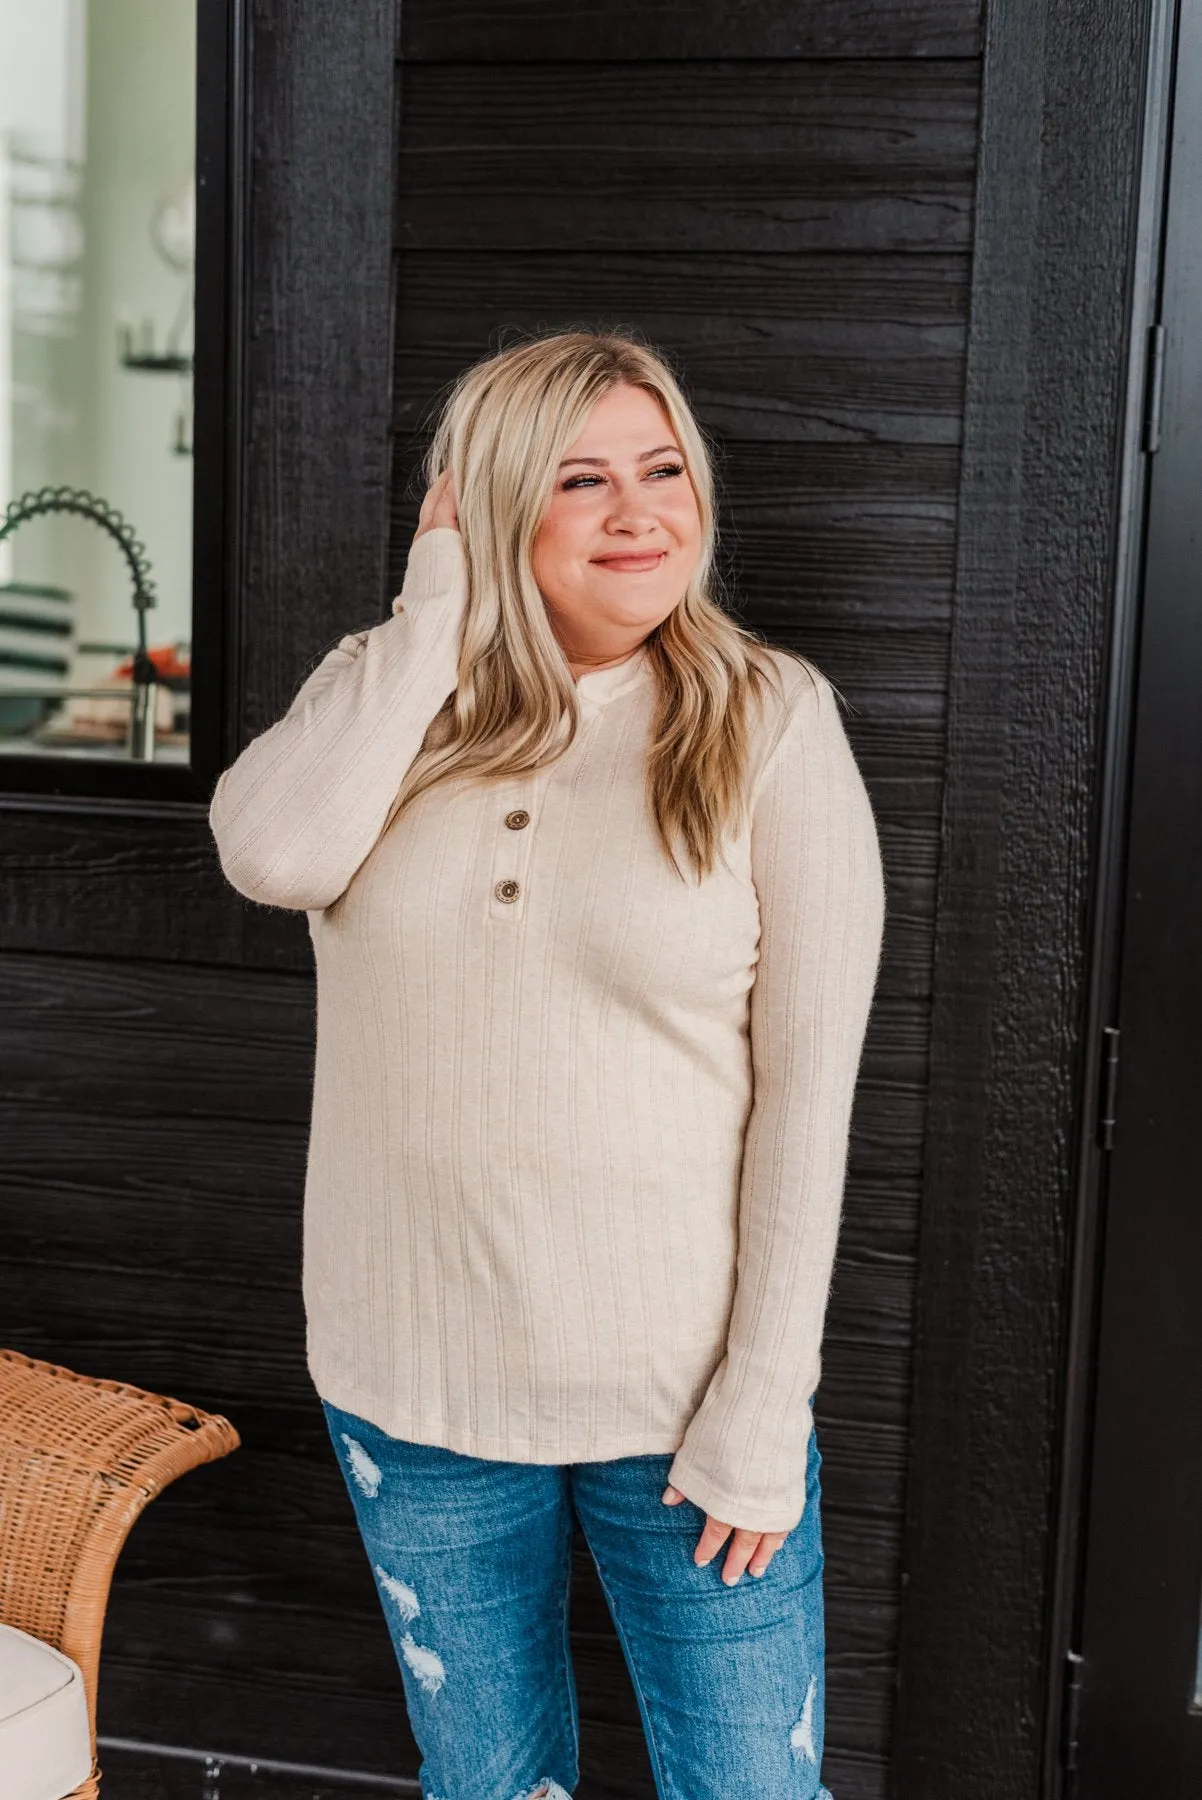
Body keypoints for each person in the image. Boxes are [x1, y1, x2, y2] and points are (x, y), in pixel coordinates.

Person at [209, 330, 886, 1800]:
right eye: (581, 479)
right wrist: (435, 610)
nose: (642, 512)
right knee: (491, 1790)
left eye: (662, 471)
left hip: (683, 1412)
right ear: (495, 504)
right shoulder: (385, 696)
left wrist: (762, 1408)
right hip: (413, 1390)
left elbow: (806, 1100)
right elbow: (269, 854)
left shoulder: (771, 721)